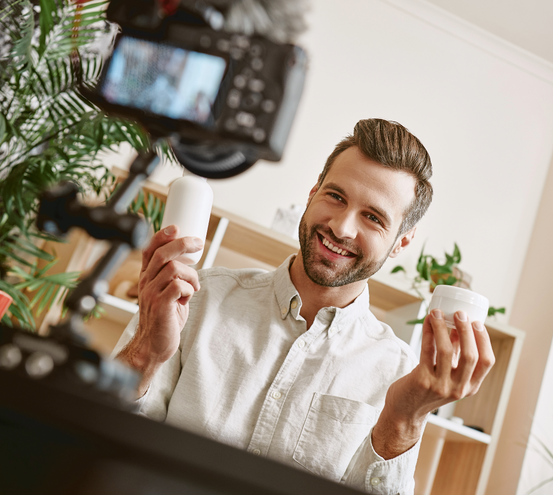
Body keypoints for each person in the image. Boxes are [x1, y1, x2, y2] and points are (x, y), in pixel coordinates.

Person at [112, 118, 495, 494]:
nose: (342, 228)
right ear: (313, 193)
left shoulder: (398, 372)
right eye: (336, 196)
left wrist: (403, 419)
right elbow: (107, 443)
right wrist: (145, 351)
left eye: (373, 217)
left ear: (401, 242)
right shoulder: (197, 299)